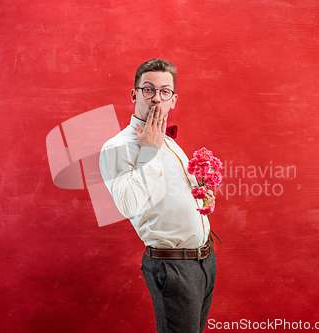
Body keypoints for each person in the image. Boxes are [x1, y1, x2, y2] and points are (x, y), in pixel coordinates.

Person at [99, 59, 217, 333]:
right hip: (172, 265)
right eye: (148, 89)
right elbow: (128, 205)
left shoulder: (171, 142)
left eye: (164, 92)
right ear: (134, 94)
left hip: (204, 261)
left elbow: (167, 197)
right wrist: (149, 152)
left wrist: (201, 197)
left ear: (173, 100)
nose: (156, 99)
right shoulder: (116, 147)